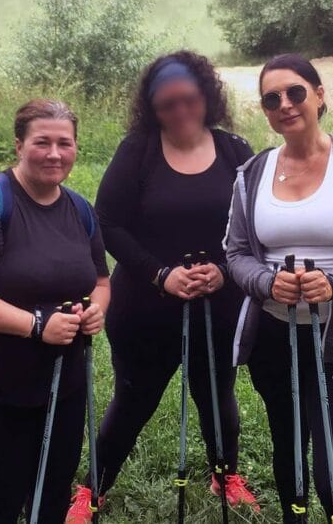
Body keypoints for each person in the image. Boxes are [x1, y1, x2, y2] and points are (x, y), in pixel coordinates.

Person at [67, 51, 258, 522]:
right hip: (145, 307)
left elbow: (254, 226)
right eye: (166, 103)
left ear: (206, 96)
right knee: (133, 399)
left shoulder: (235, 150)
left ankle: (225, 473)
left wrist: (225, 269)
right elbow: (107, 222)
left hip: (219, 302)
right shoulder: (139, 150)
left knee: (217, 395)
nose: (179, 111)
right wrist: (161, 273)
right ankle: (92, 489)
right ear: (152, 107)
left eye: (187, 99)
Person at [225, 54, 333, 523]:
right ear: (264, 110)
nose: (285, 104)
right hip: (274, 339)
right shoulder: (254, 173)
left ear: (319, 96)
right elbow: (236, 253)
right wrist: (266, 282)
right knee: (289, 462)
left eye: (295, 92)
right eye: (271, 98)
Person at [0, 99, 109, 524]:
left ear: (76, 148)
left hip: (60, 385)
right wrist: (36, 326)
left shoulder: (80, 209)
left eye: (64, 143)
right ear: (19, 145)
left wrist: (96, 311)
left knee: (52, 495)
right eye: (42, 142)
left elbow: (100, 282)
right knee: (4, 496)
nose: (54, 153)